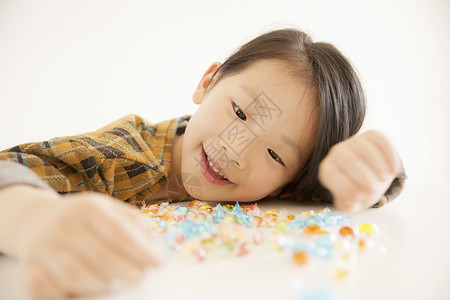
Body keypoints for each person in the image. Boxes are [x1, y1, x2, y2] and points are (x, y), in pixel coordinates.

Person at [0, 28, 406, 299]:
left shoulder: (278, 188)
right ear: (207, 82)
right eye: (241, 113)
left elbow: (340, 187)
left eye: (275, 154)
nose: (236, 148)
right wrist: (32, 220)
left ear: (291, 179)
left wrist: (367, 173)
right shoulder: (121, 155)